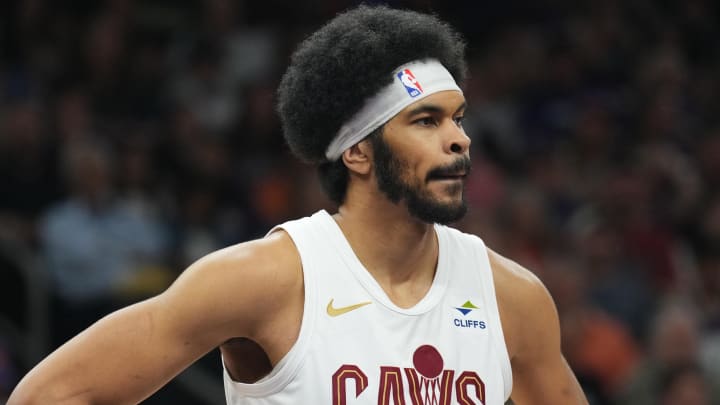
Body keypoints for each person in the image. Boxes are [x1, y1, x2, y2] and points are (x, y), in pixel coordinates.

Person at [8, 5, 588, 404]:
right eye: (426, 120)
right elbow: (51, 394)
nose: (459, 138)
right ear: (358, 152)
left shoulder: (513, 297)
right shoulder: (267, 278)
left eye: (458, 118)